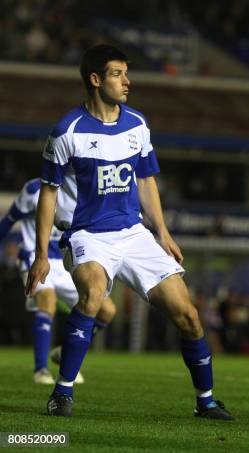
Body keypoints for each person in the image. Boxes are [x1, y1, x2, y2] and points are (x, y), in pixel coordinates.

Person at [26, 44, 233, 420]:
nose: (127, 81)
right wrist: (42, 253)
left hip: (134, 233)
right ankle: (62, 394)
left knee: (188, 315)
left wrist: (163, 233)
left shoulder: (137, 123)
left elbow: (146, 181)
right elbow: (48, 194)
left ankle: (206, 402)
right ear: (95, 79)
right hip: (86, 234)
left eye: (126, 73)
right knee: (91, 295)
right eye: (118, 74)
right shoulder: (66, 132)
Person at [0, 178, 116, 384]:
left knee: (107, 310)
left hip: (66, 262)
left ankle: (65, 352)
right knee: (48, 302)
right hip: (35, 259)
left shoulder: (83, 189)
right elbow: (9, 219)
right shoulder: (34, 189)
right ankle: (41, 370)